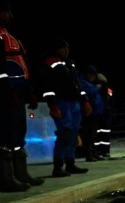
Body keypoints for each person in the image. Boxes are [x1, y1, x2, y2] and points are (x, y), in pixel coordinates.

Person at [0, 1, 44, 192]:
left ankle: (21, 174)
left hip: (17, 91)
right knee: (4, 135)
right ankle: (7, 179)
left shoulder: (9, 35)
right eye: (7, 12)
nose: (10, 16)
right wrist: (6, 90)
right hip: (2, 93)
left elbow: (22, 66)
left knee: (18, 133)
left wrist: (29, 93)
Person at [42, 39, 92, 177]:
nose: (66, 50)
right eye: (63, 48)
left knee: (73, 134)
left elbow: (78, 85)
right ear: (57, 49)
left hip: (75, 103)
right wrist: (52, 105)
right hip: (62, 102)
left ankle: (70, 163)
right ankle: (58, 166)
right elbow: (47, 85)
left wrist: (85, 101)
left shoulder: (70, 63)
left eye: (67, 48)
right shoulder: (51, 62)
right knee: (65, 133)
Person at [77, 65, 104, 162]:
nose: (94, 77)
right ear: (88, 74)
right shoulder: (83, 82)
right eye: (92, 75)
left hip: (95, 113)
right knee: (88, 135)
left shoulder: (90, 83)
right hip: (89, 113)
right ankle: (89, 154)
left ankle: (94, 152)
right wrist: (97, 87)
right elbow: (89, 93)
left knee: (93, 135)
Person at [94, 72, 113, 158]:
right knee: (103, 134)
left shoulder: (97, 88)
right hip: (104, 113)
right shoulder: (106, 89)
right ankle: (104, 151)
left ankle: (99, 151)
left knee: (99, 134)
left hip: (101, 113)